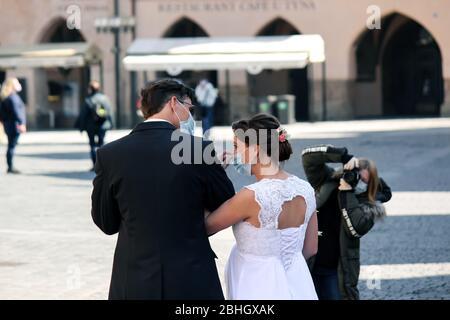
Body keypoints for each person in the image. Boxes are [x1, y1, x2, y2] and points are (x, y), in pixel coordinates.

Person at [91, 79, 235, 300]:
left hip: (133, 278)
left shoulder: (110, 154)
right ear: (174, 103)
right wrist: (212, 171)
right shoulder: (198, 149)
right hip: (191, 275)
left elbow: (106, 222)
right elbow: (226, 205)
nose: (190, 115)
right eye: (189, 108)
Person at [205, 113, 318, 300]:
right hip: (299, 282)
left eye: (236, 146)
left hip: (256, 283)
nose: (233, 153)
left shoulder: (251, 196)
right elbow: (311, 248)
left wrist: (213, 175)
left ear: (255, 150)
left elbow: (206, 226)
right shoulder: (306, 190)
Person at [301, 145, 392, 300]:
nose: (356, 181)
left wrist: (347, 193)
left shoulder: (369, 205)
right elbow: (308, 158)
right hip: (308, 263)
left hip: (337, 271)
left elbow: (355, 228)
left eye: (363, 180)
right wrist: (343, 156)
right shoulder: (326, 180)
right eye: (355, 175)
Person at [75, 80, 113, 170]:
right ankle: (103, 165)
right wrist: (111, 124)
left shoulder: (88, 100)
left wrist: (81, 127)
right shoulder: (105, 98)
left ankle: (95, 165)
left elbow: (83, 115)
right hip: (103, 125)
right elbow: (110, 113)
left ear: (90, 89)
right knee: (102, 144)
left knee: (92, 145)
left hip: (90, 126)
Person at [0, 78, 27, 174]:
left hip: (8, 125)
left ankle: (10, 165)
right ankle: (10, 166)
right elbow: (17, 112)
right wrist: (22, 123)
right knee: (12, 146)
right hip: (14, 125)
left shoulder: (6, 97)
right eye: (16, 83)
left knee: (11, 145)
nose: (19, 84)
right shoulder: (13, 97)